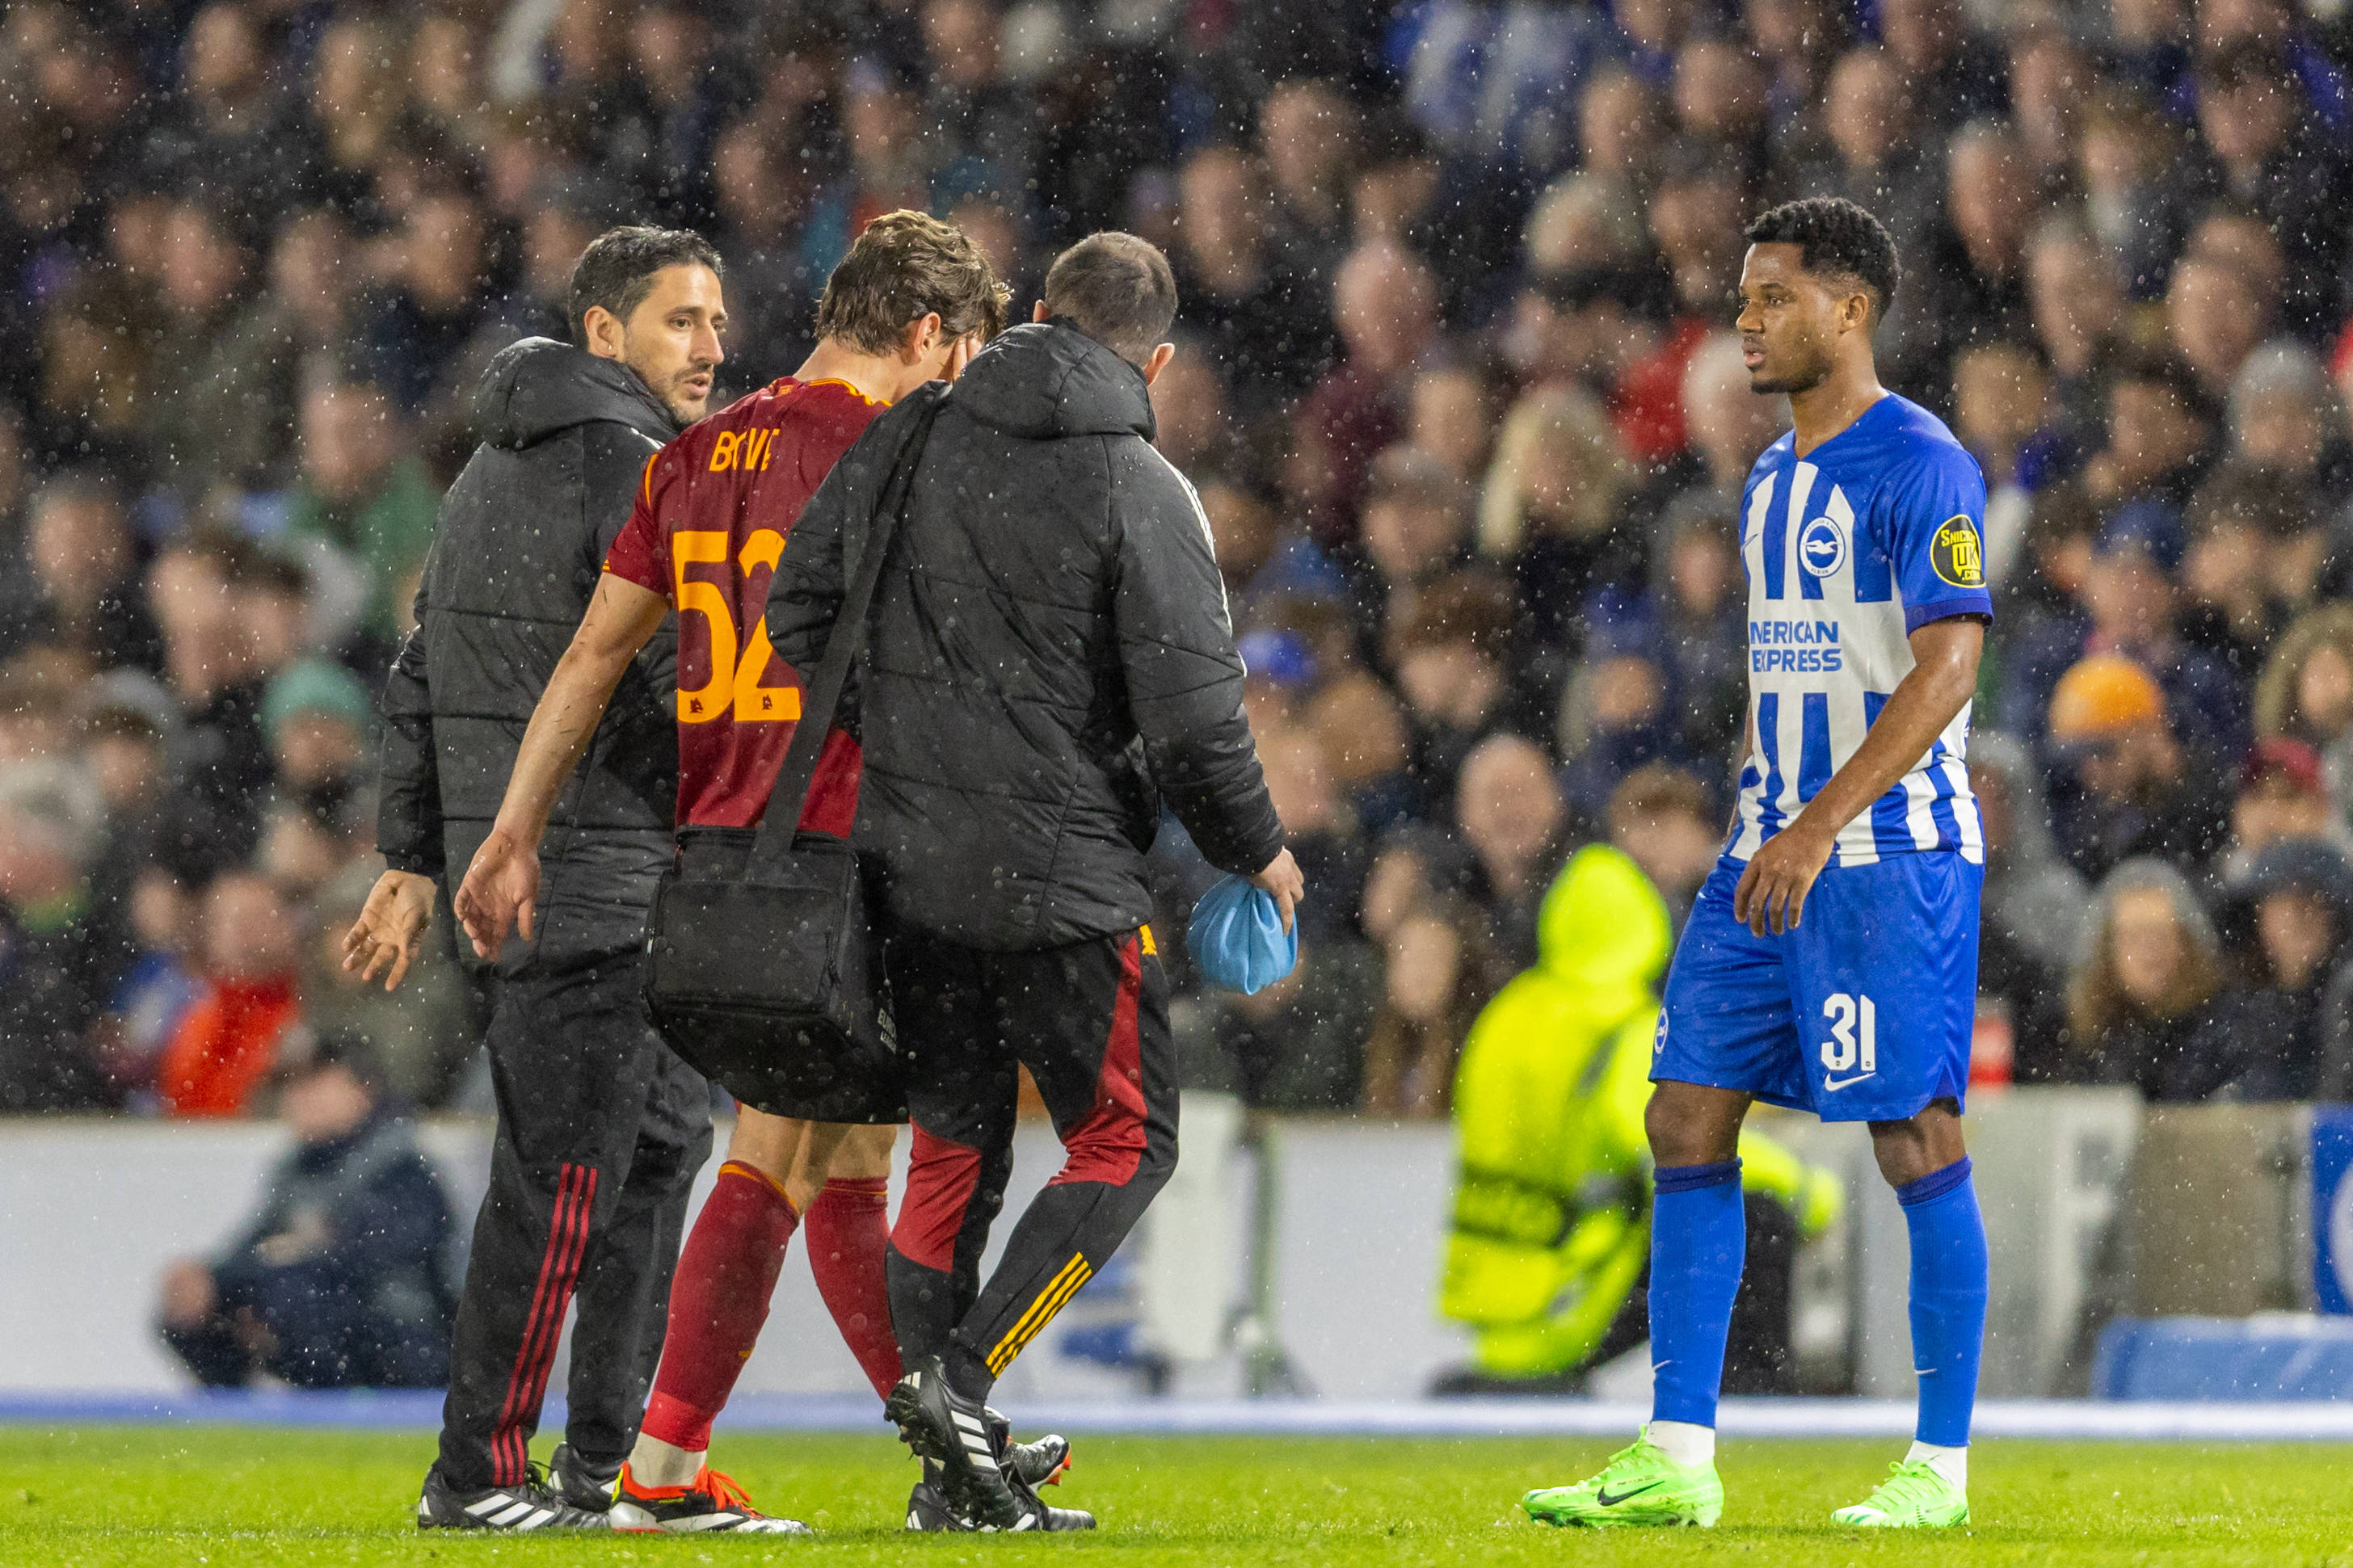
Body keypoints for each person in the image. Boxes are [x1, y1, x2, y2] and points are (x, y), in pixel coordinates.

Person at [445, 212, 1055, 1535]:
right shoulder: (905, 453)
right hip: (851, 853)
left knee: (832, 1154)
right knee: (798, 1156)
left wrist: (511, 829)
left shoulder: (694, 457)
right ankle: (683, 1468)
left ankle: (942, 1452)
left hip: (719, 859)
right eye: (967, 354)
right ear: (928, 335)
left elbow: (593, 657)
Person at [762, 232, 1301, 1532]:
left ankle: (952, 1482)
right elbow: (1194, 724)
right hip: (1063, 877)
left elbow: (798, 616)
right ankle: (957, 1384)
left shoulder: (910, 433)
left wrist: (913, 748)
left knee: (953, 1146)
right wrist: (1256, 846)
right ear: (1153, 363)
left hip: (910, 871)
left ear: (1039, 311)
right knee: (1131, 1138)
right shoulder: (1141, 485)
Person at [1526, 198, 1992, 1531]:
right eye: (1741, 298)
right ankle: (1677, 1452)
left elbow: (1948, 666)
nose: (1745, 321)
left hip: (1885, 853)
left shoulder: (1922, 463)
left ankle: (1940, 1469)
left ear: (1851, 309)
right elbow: (1789, 667)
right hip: (1768, 848)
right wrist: (1763, 805)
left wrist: (1818, 822)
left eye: (1773, 297)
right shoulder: (1773, 476)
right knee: (1683, 1114)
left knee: (1913, 1135)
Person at [343, 227, 722, 1534]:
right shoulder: (644, 472)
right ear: (605, 333)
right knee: (564, 1183)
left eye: (716, 321)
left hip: (552, 880)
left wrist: (411, 854)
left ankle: (607, 1467)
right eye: (681, 321)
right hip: (598, 878)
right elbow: (673, 682)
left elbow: (420, 675)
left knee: (654, 1153)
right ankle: (480, 1475)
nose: (710, 348)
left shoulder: (479, 475)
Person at [1437, 845, 1840, 1392]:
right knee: (1755, 1211)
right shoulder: (1623, 1025)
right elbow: (1693, 1142)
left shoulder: (1507, 1013)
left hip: (1496, 1313)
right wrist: (1809, 1191)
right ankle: (1755, 1401)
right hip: (1567, 1303)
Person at [157, 1033, 454, 1389]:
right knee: (198, 1304)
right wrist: (212, 1280)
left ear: (362, 1089)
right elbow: (259, 1243)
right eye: (291, 1085)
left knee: (294, 1296)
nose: (297, 1097)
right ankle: (242, 1410)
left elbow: (373, 1256)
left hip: (407, 1340)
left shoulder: (401, 1167)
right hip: (327, 1319)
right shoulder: (298, 1172)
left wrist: (287, 1262)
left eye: (313, 1081)